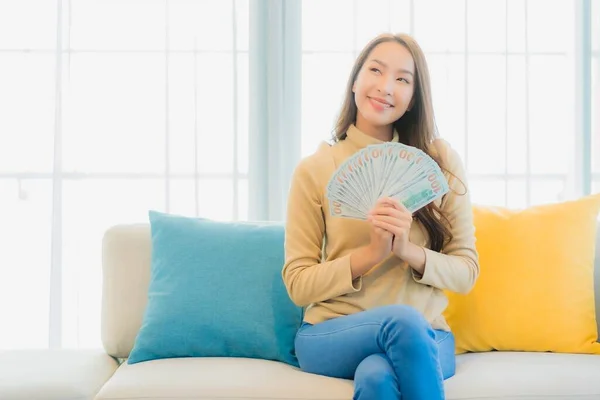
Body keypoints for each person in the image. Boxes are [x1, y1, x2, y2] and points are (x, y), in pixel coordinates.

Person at [282, 32, 480, 400]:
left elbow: (466, 272)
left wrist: (408, 250)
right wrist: (370, 255)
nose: (386, 86)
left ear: (413, 100)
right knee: (402, 320)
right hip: (332, 333)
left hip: (428, 337)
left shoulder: (441, 162)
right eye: (375, 70)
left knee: (375, 376)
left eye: (403, 79)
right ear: (355, 80)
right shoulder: (315, 169)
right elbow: (298, 284)